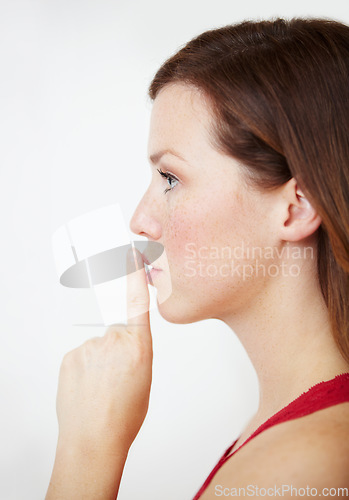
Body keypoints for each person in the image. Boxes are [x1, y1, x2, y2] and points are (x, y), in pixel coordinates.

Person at [46, 17, 349, 499]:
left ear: (297, 207)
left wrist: (88, 449)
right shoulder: (280, 432)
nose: (141, 220)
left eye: (171, 178)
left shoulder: (296, 467)